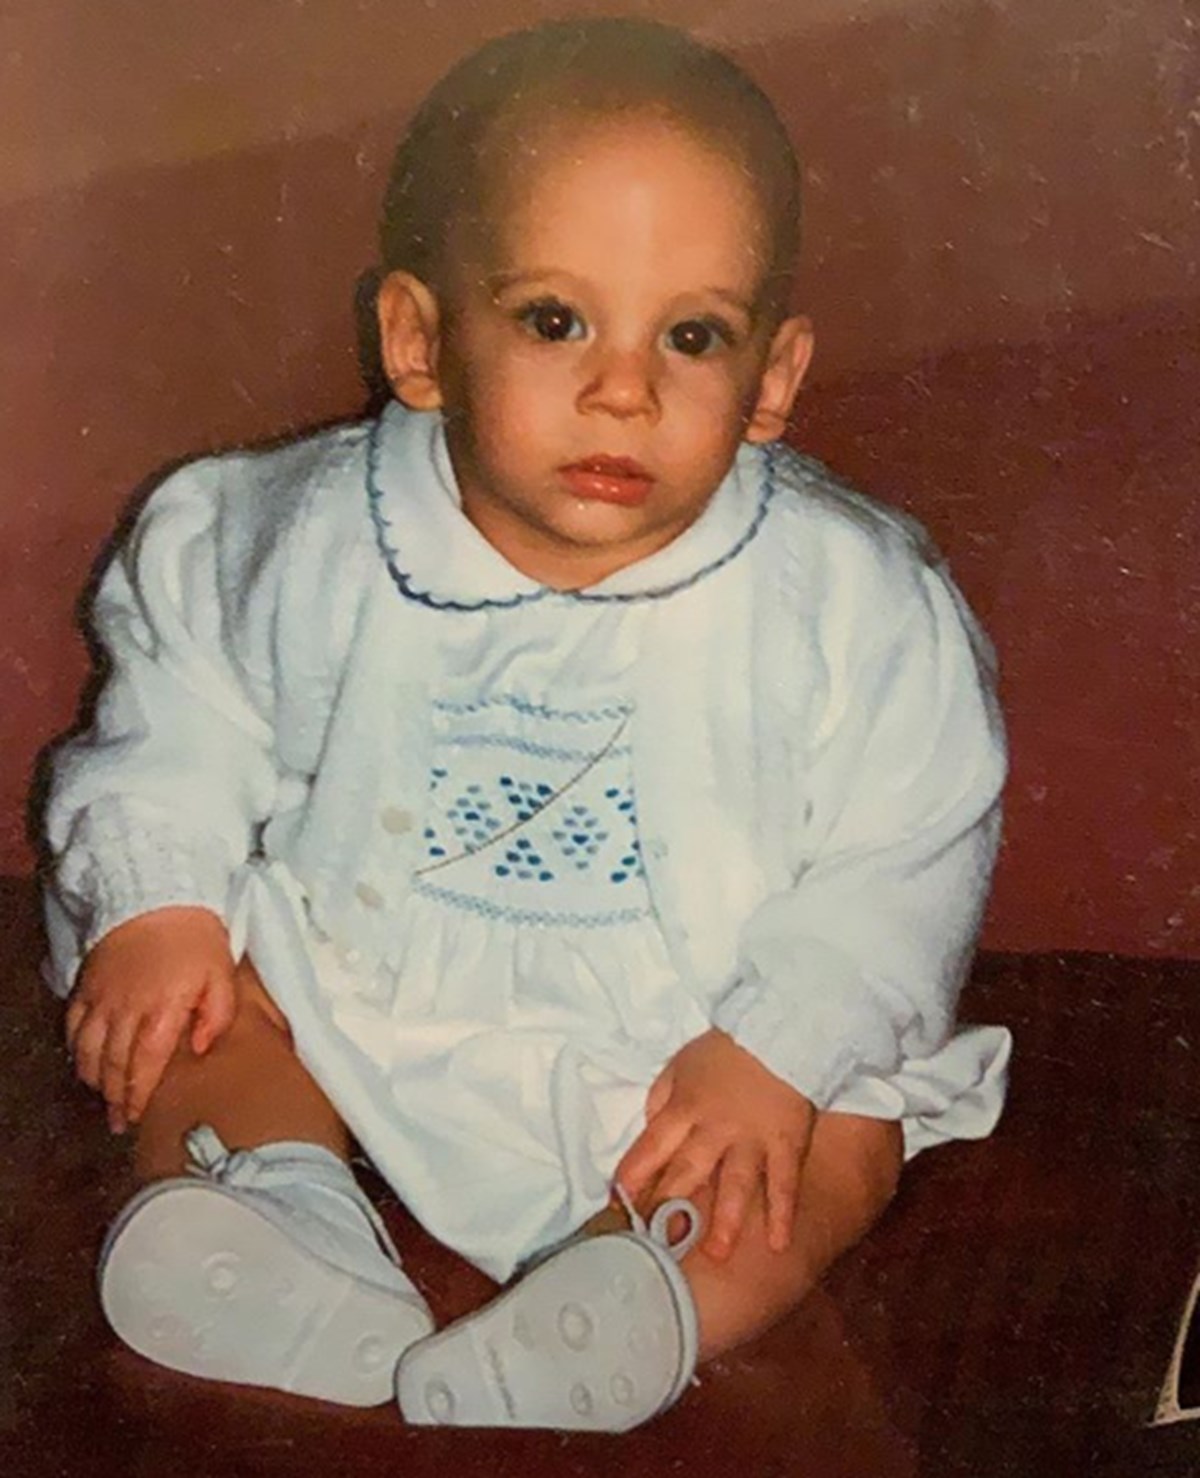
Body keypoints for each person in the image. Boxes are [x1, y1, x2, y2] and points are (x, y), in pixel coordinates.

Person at [42, 17, 1011, 1434]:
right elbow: (181, 697)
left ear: (774, 379)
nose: (625, 388)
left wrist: (780, 1047)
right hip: (347, 976)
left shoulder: (851, 599)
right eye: (556, 320)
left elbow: (910, 845)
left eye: (693, 335)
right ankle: (275, 1212)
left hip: (709, 1045)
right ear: (421, 339)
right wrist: (158, 898)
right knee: (199, 1010)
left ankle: (641, 1298)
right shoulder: (297, 534)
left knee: (839, 1140)